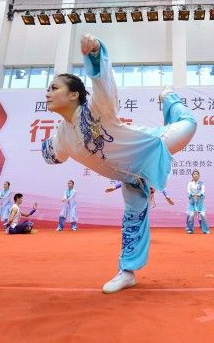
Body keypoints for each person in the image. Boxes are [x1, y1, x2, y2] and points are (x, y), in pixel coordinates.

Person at [42, 34, 197, 293]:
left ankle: (169, 97)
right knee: (132, 220)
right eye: (48, 89)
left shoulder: (96, 109)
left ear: (73, 95)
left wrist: (94, 55)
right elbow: (54, 155)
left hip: (153, 147)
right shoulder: (62, 134)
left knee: (188, 124)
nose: (47, 93)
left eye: (54, 88)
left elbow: (104, 85)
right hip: (131, 178)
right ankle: (127, 272)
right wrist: (48, 153)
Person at [105, 182, 174, 209]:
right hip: (137, 196)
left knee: (143, 214)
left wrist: (167, 196)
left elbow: (161, 186)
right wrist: (114, 187)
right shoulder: (139, 173)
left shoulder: (155, 176)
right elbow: (127, 180)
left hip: (147, 198)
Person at [186, 170, 210, 234]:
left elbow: (203, 191)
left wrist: (199, 195)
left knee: (202, 215)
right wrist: (192, 194)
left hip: (200, 202)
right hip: (192, 202)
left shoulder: (201, 183)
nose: (195, 175)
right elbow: (188, 191)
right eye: (194, 174)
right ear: (192, 176)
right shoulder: (190, 183)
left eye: (197, 174)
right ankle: (190, 229)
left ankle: (205, 230)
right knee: (191, 215)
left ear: (199, 176)